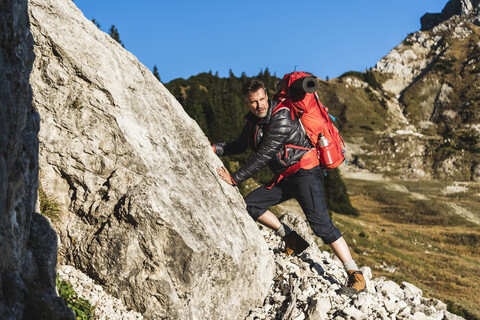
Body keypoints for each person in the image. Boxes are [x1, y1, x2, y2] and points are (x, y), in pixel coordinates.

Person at [213, 79, 366, 296]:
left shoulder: (282, 116)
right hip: (286, 176)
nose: (259, 105)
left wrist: (234, 178)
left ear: (267, 96)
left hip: (305, 173)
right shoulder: (253, 123)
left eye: (262, 99)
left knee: (322, 226)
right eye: (253, 102)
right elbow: (238, 145)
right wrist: (213, 148)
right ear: (246, 102)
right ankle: (292, 240)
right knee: (250, 204)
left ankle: (355, 275)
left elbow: (265, 155)